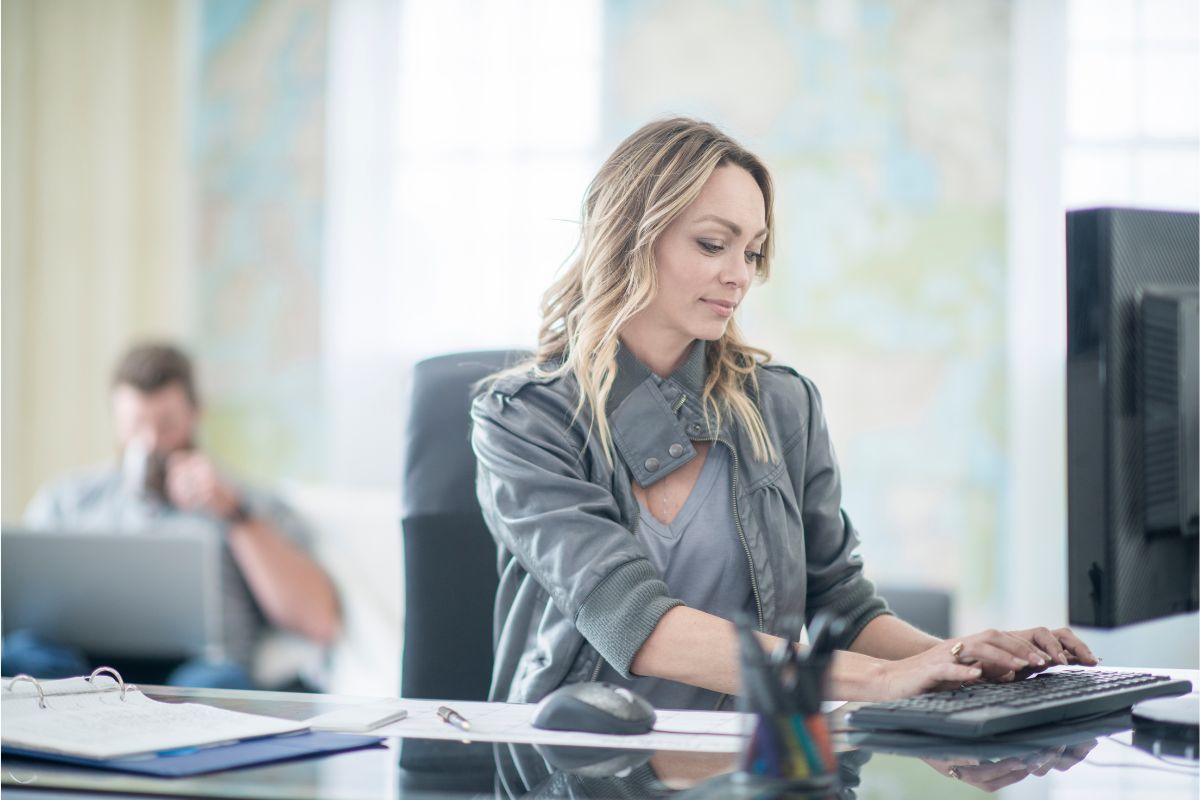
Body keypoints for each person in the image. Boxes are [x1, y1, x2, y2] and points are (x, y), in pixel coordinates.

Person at [470, 118, 1097, 710]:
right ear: (630, 236)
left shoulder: (783, 405)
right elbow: (630, 618)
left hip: (759, 762)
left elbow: (840, 604)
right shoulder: (524, 418)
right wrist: (883, 680)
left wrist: (959, 660)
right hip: (577, 762)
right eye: (714, 244)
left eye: (753, 251)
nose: (739, 275)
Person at [4, 342, 340, 689]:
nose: (150, 442)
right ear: (116, 420)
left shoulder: (248, 503)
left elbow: (319, 619)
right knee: (18, 656)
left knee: (217, 683)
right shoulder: (68, 500)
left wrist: (235, 515)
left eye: (166, 425)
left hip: (198, 675)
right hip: (77, 671)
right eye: (135, 425)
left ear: (195, 415)